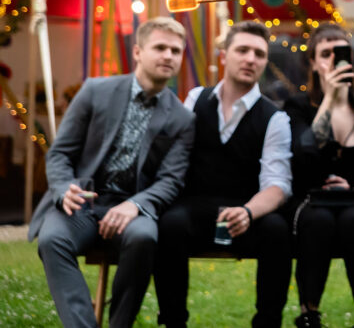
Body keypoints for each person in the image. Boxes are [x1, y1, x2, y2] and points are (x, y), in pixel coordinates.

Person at [29, 17, 194, 328]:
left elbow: (172, 179)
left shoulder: (183, 118)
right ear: (137, 52)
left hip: (133, 206)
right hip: (81, 200)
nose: (168, 56)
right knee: (52, 240)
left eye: (176, 50)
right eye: (160, 47)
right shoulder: (95, 91)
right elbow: (60, 153)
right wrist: (64, 189)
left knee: (144, 237)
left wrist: (135, 205)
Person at [154, 21, 292, 328]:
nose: (250, 59)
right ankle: (174, 321)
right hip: (196, 208)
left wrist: (247, 211)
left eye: (258, 53)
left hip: (247, 210)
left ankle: (268, 322)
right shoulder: (195, 99)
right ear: (223, 55)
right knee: (170, 223)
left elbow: (278, 184)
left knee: (277, 231)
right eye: (242, 50)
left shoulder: (275, 118)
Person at [284, 24, 354, 328]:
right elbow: (303, 153)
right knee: (319, 221)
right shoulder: (299, 107)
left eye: (341, 53)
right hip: (311, 200)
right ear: (314, 63)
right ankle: (309, 314)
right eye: (325, 54)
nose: (333, 60)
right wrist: (329, 100)